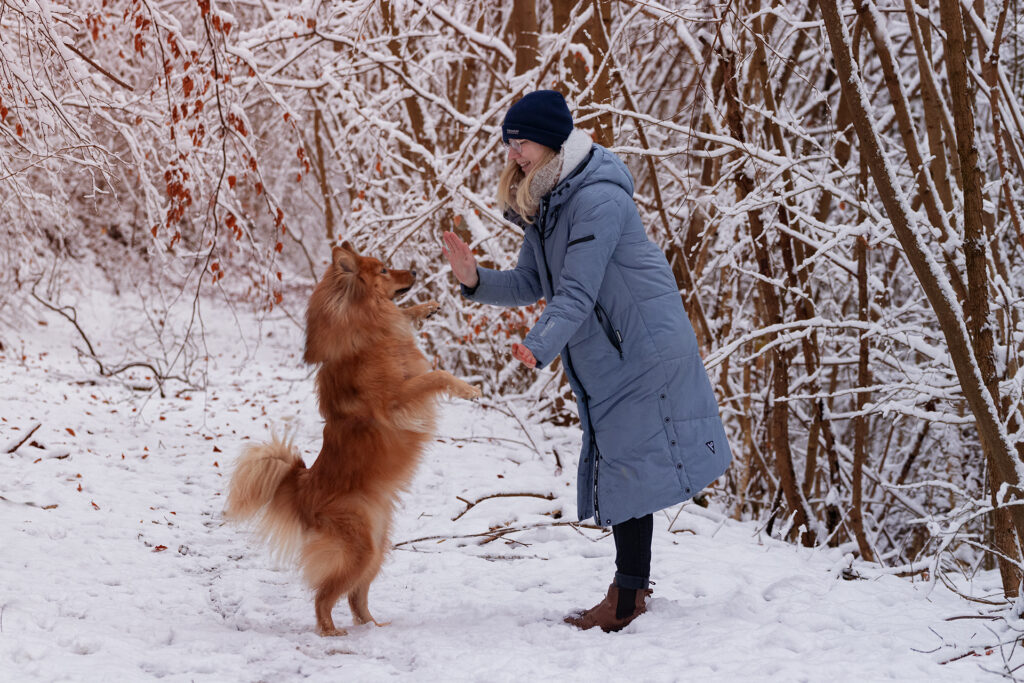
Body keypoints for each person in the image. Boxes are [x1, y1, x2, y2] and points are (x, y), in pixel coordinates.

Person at [441, 90, 732, 632]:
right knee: (627, 463)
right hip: (614, 349)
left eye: (521, 143)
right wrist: (475, 281)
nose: (513, 155)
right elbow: (533, 281)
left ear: (551, 142)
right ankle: (632, 590)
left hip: (643, 349)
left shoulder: (598, 199)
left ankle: (626, 598)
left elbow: (574, 292)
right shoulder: (552, 203)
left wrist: (539, 344)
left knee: (628, 464)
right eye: (509, 144)